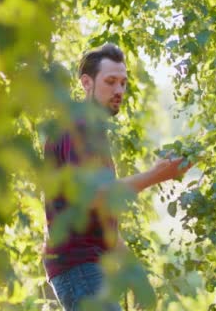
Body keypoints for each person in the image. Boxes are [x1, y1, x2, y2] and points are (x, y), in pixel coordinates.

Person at [43, 43, 191, 311]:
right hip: (79, 268)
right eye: (110, 82)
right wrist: (157, 174)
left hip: (87, 267)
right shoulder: (79, 126)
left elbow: (102, 220)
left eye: (123, 83)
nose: (119, 90)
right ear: (86, 82)